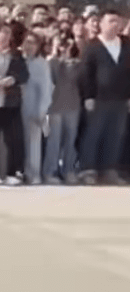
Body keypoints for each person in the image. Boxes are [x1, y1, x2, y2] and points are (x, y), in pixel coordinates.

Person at [78, 8, 130, 185]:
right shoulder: (92, 46)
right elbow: (85, 74)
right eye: (111, 21)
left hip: (121, 99)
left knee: (116, 135)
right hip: (98, 99)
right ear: (101, 24)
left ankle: (110, 169)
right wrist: (88, 96)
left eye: (117, 22)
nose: (115, 25)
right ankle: (88, 169)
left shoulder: (127, 45)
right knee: (93, 134)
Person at [43, 33, 82, 184]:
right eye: (61, 43)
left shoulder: (77, 63)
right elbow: (52, 78)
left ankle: (68, 170)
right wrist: (56, 54)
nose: (63, 47)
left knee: (70, 140)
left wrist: (69, 55)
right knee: (54, 140)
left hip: (73, 105)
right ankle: (50, 172)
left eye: (67, 44)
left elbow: (76, 79)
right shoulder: (51, 62)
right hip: (55, 106)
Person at [20, 30, 53, 185]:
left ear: (38, 46)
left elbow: (46, 90)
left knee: (33, 144)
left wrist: (42, 110)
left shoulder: (42, 64)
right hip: (15, 108)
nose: (29, 46)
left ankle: (34, 175)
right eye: (26, 42)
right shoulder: (18, 60)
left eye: (32, 43)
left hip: (33, 109)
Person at [0, 22, 28, 185]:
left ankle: (12, 173)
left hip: (11, 103)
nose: (4, 36)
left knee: (13, 139)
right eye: (2, 32)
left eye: (7, 33)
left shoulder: (16, 55)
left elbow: (24, 75)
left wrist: (14, 79)